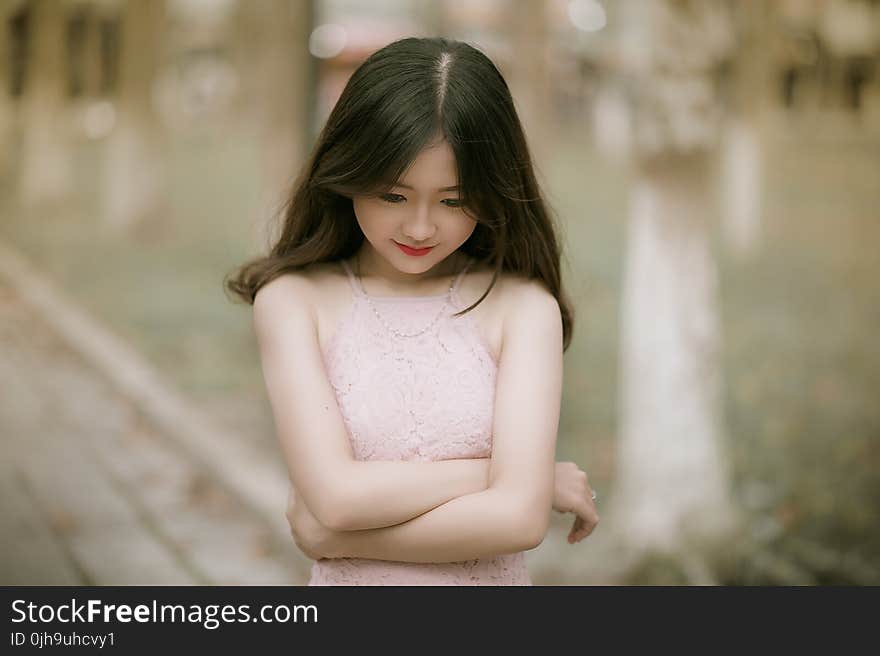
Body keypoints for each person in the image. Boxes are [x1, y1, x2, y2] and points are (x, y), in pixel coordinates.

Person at [225, 37, 598, 585]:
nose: (421, 227)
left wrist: (335, 536)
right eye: (393, 196)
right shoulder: (294, 302)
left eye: (453, 200)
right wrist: (525, 477)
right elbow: (335, 500)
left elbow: (518, 520)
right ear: (347, 171)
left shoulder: (521, 308)